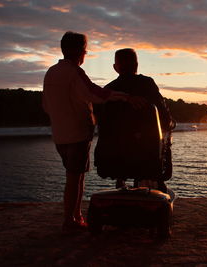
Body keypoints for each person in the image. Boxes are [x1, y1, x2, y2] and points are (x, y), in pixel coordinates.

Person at [42, 31, 129, 234]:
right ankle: (70, 220)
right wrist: (124, 97)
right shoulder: (74, 72)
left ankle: (75, 216)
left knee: (74, 176)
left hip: (59, 134)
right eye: (85, 49)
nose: (86, 53)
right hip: (77, 134)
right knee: (75, 178)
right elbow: (94, 93)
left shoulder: (51, 72)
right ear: (80, 51)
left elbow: (46, 105)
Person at [94, 48, 174, 192]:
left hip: (112, 158)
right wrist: (169, 125)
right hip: (145, 156)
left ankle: (121, 179)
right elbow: (164, 116)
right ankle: (155, 182)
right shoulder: (147, 84)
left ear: (115, 68)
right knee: (155, 141)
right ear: (136, 65)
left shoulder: (108, 90)